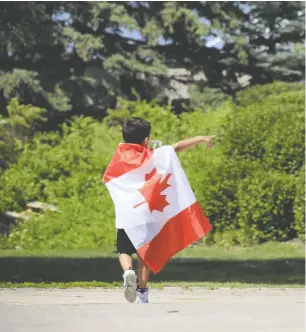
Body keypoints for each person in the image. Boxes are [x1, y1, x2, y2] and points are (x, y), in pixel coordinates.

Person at [103, 117, 215, 304]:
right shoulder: (154, 155)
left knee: (124, 249)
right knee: (145, 254)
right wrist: (201, 138)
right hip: (148, 213)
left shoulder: (119, 159)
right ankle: (142, 291)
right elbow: (177, 146)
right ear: (146, 140)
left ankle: (128, 272)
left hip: (128, 214)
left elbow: (106, 180)